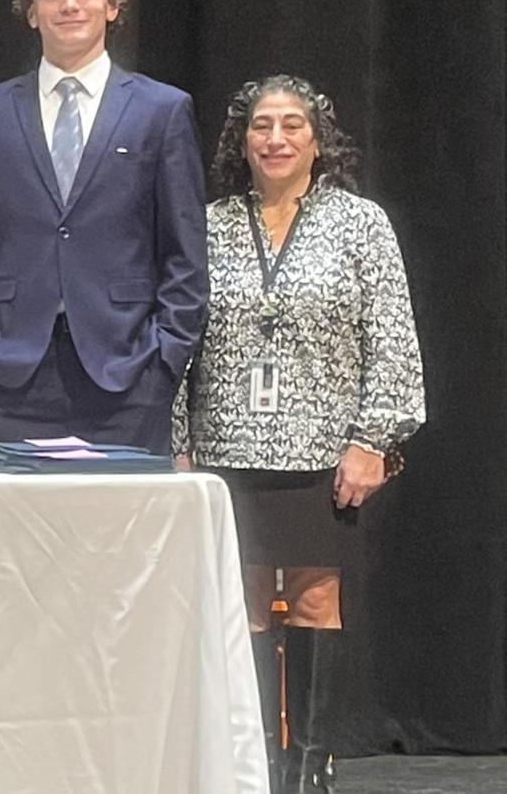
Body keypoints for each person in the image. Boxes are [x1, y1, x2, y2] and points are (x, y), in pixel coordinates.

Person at [176, 75, 424, 792]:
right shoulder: (210, 225)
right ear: (242, 141)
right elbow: (179, 340)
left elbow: (393, 340)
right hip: (226, 450)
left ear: (319, 141)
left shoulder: (360, 225)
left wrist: (373, 440)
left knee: (316, 599)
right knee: (244, 604)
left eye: (292, 125)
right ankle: (252, 763)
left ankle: (310, 768)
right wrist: (177, 442)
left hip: (323, 451)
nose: (276, 138)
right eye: (262, 125)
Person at [0, 0, 206, 452]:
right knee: (12, 510)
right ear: (31, 12)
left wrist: (166, 357)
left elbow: (185, 253)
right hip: (9, 371)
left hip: (127, 371)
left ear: (112, 5)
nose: (69, 5)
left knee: (120, 511)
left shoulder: (161, 110)